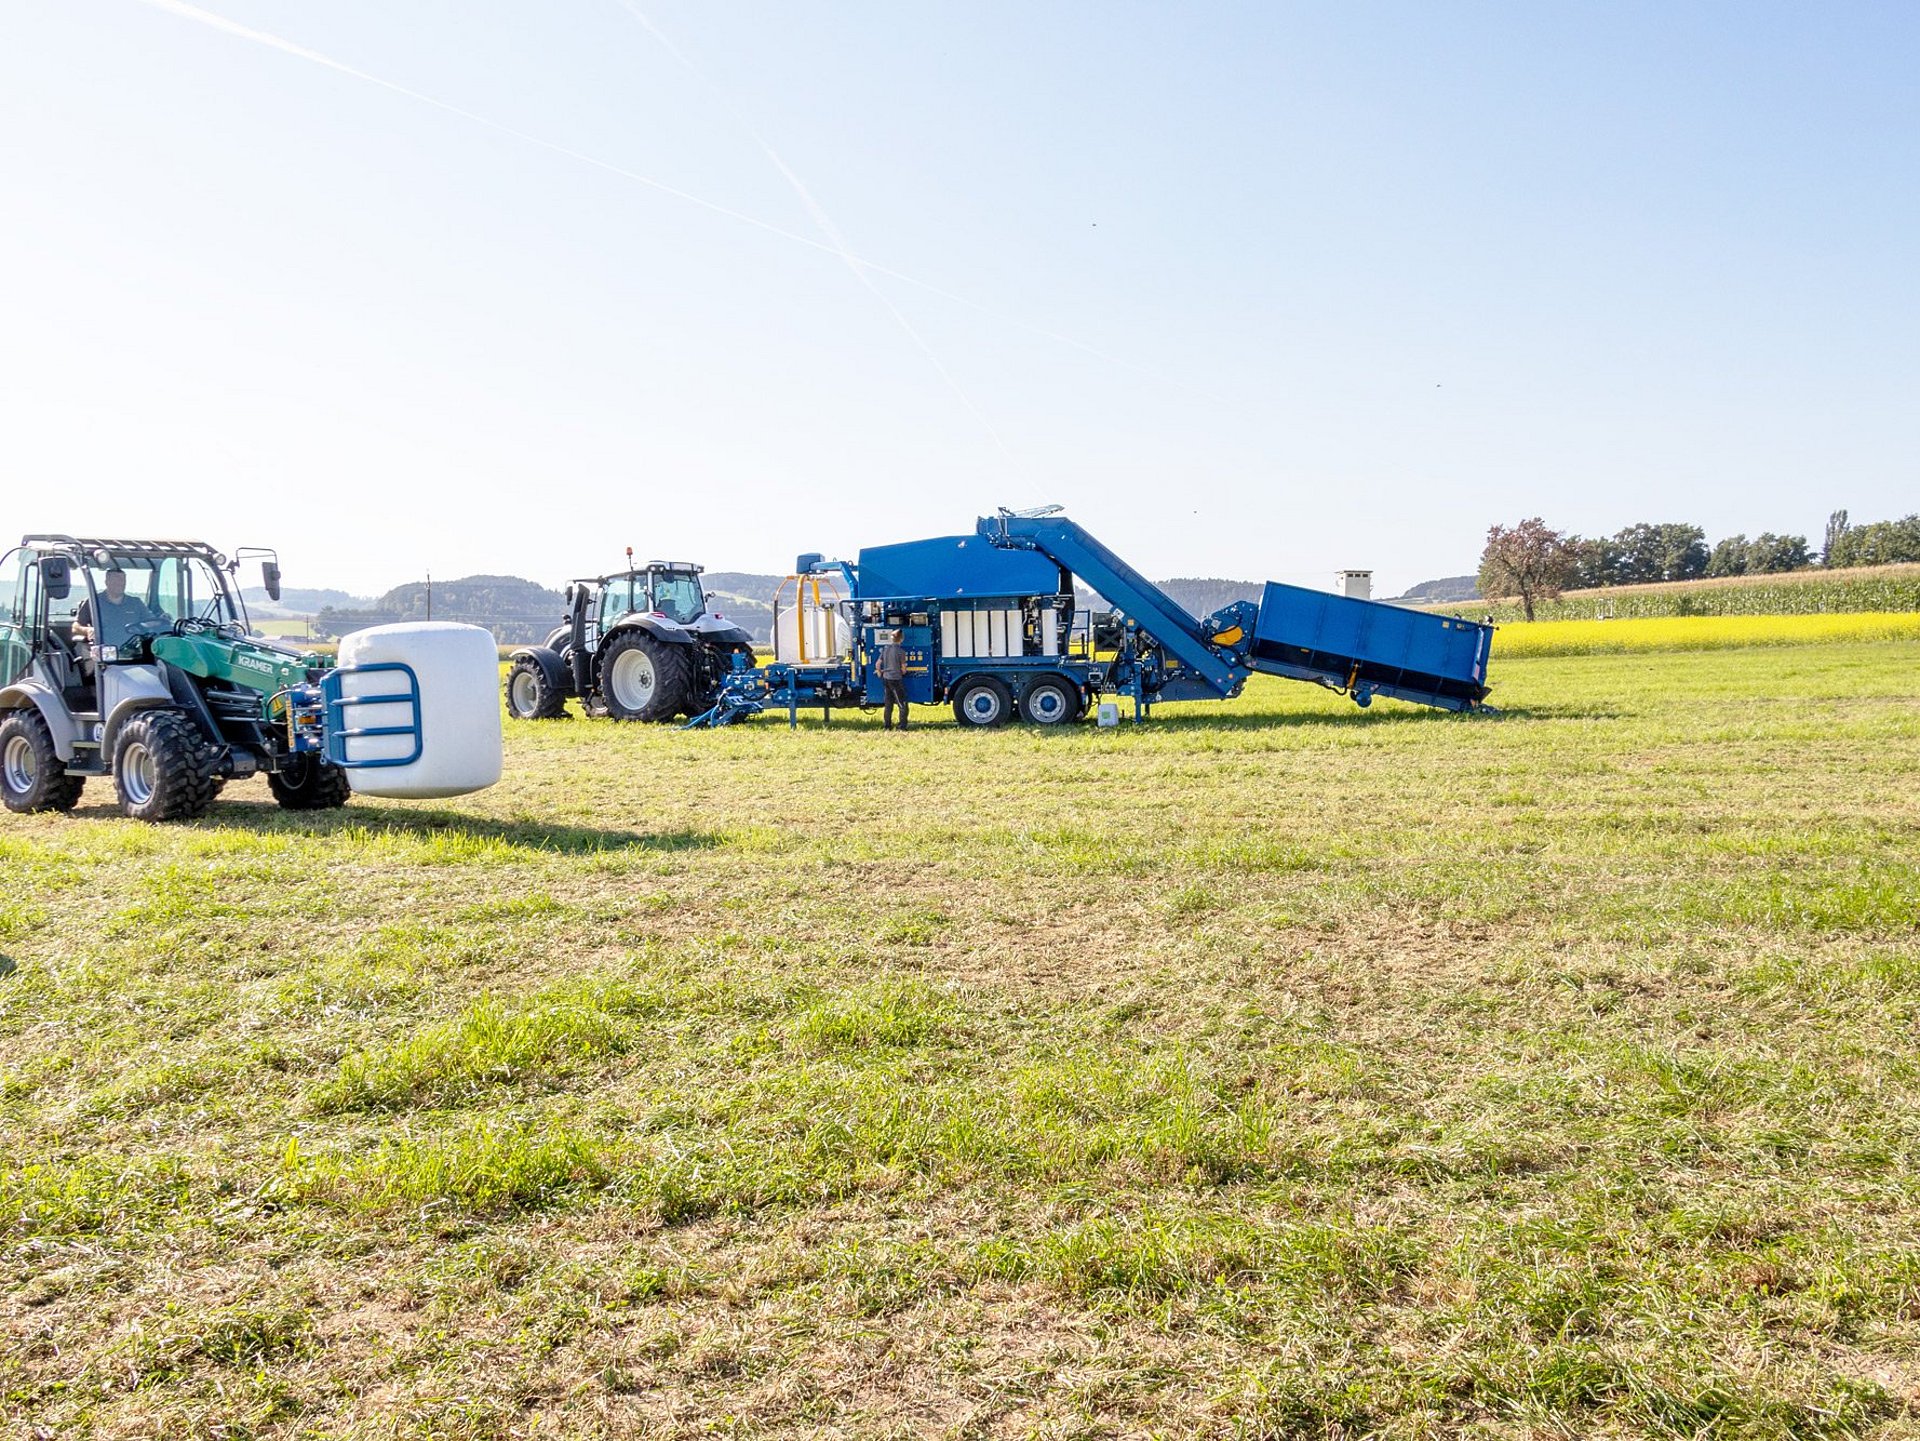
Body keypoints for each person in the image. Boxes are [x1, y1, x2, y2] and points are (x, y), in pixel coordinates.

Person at [73, 566, 169, 650]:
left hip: (133, 653)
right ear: (107, 582)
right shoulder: (93, 602)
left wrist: (162, 621)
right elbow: (75, 627)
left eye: (122, 580)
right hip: (103, 655)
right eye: (116, 579)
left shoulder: (136, 603)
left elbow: (150, 622)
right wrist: (87, 630)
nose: (120, 583)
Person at [877, 628, 910, 729]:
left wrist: (879, 673)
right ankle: (902, 726)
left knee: (888, 703)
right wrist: (904, 671)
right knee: (902, 703)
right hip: (896, 679)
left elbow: (878, 664)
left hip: (886, 679)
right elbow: (903, 668)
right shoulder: (901, 652)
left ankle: (887, 726)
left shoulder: (885, 649)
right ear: (901, 639)